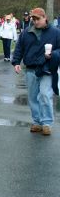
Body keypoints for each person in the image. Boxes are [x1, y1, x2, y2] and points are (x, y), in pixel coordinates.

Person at [12, 7, 60, 136]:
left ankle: (47, 123)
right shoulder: (26, 32)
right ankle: (37, 122)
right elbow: (19, 48)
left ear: (45, 18)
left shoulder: (55, 32)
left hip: (47, 69)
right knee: (33, 97)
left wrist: (53, 54)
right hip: (30, 68)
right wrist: (16, 62)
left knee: (45, 95)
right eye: (33, 19)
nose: (35, 21)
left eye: (38, 19)